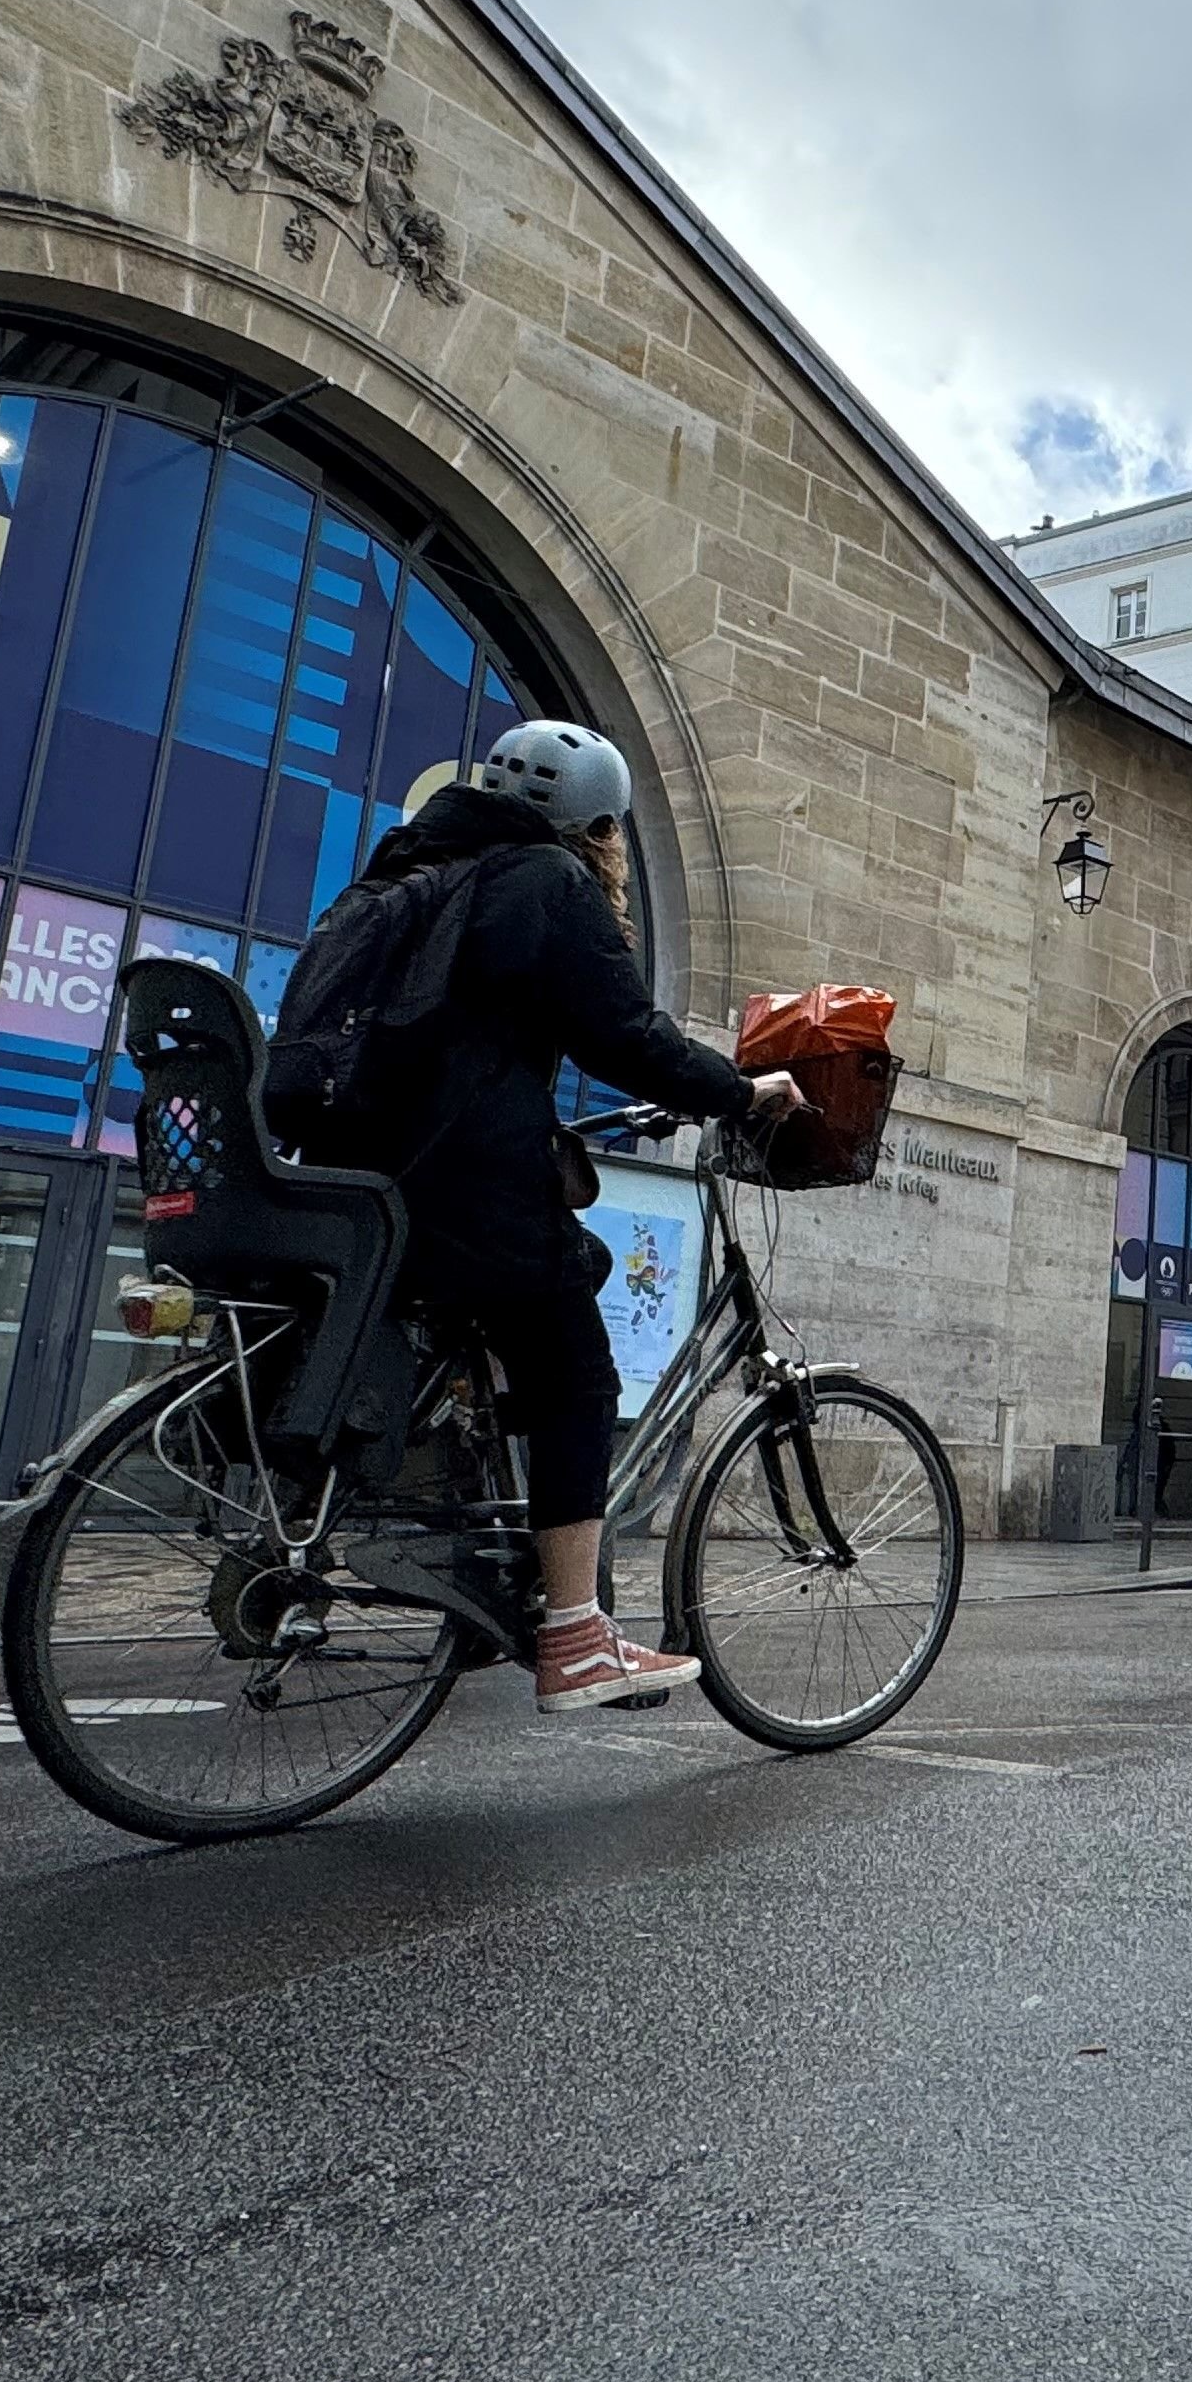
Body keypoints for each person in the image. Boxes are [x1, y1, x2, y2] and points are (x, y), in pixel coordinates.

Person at [309, 718, 803, 1713]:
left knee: (540, 1298)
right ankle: (576, 1635)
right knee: (578, 1374)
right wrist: (741, 1092)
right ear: (598, 824)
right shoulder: (546, 881)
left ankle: (483, 1557)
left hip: (362, 1180)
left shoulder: (404, 874)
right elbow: (624, 1032)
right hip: (462, 1181)